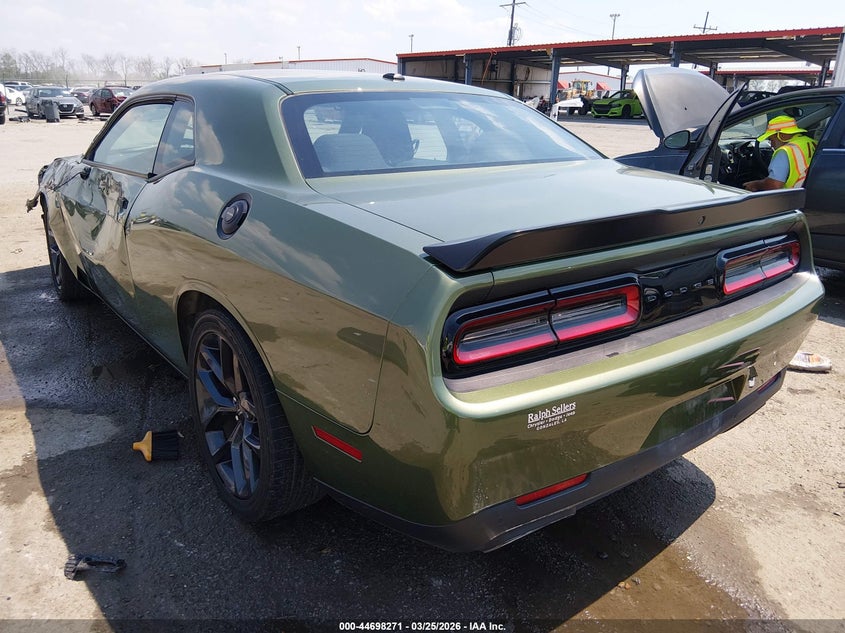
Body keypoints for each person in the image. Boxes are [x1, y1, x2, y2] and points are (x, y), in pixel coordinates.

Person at [743, 115, 817, 192]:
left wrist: (755, 185)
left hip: (791, 198)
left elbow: (774, 185)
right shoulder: (811, 142)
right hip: (811, 192)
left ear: (781, 135)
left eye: (771, 140)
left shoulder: (784, 151)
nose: (771, 145)